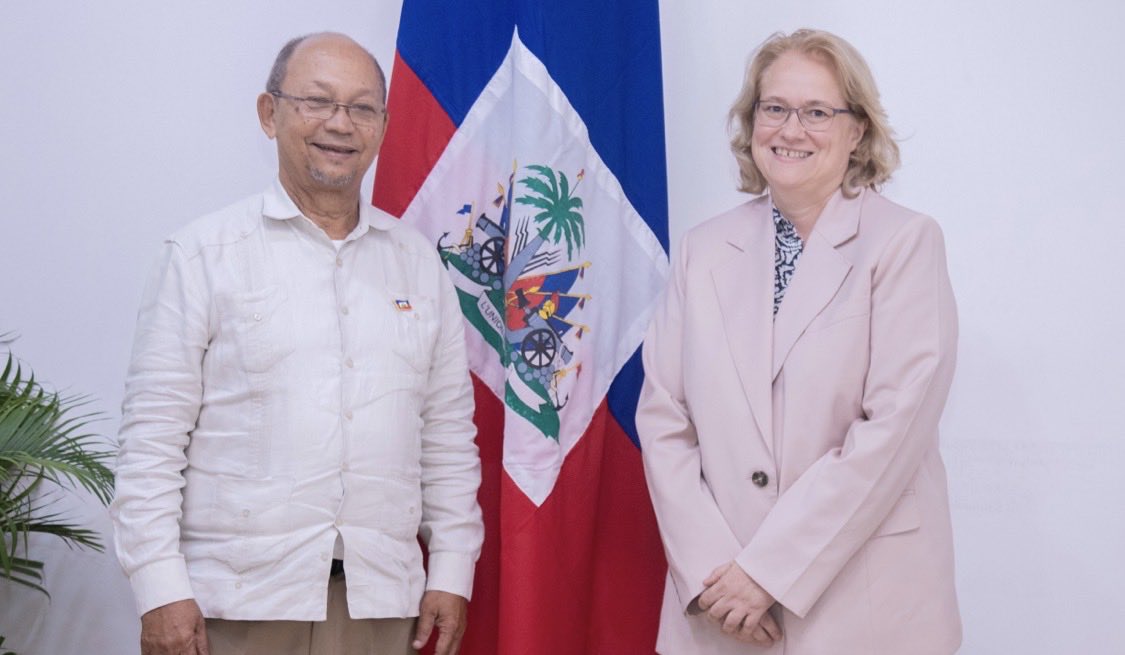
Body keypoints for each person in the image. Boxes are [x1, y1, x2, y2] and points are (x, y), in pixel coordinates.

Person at [110, 32, 483, 655]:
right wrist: (159, 589)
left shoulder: (418, 265)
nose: (340, 124)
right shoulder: (202, 255)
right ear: (269, 112)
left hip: (379, 607)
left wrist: (451, 569)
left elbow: (446, 435)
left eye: (362, 108)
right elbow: (150, 439)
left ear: (383, 127)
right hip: (230, 606)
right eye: (317, 101)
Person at [636, 29, 961, 654]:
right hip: (722, 606)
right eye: (774, 108)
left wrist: (767, 571)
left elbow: (893, 431)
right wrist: (716, 578)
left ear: (857, 130)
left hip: (863, 606)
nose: (791, 129)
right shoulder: (703, 250)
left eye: (817, 112)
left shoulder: (904, 243)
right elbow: (664, 420)